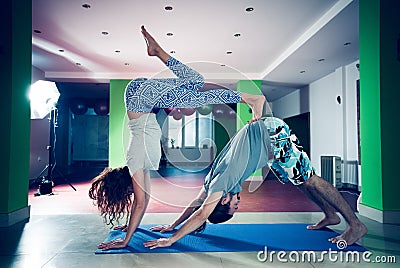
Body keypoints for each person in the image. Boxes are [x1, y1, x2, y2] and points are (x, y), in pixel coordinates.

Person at [88, 25, 265, 251]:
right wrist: (139, 227)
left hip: (138, 99)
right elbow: (144, 203)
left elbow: (140, 204)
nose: (133, 194)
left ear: (126, 185)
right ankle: (157, 52)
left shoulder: (135, 161)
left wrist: (126, 241)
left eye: (128, 192)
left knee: (194, 94)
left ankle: (251, 98)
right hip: (146, 103)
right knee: (196, 82)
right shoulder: (143, 167)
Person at [143, 116, 368, 249]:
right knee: (298, 180)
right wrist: (173, 224)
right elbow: (195, 204)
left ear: (222, 201)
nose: (238, 204)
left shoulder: (223, 182)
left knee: (311, 180)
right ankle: (330, 214)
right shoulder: (212, 184)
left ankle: (355, 225)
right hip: (269, 146)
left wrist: (171, 240)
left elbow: (202, 214)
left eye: (234, 207)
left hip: (271, 133)